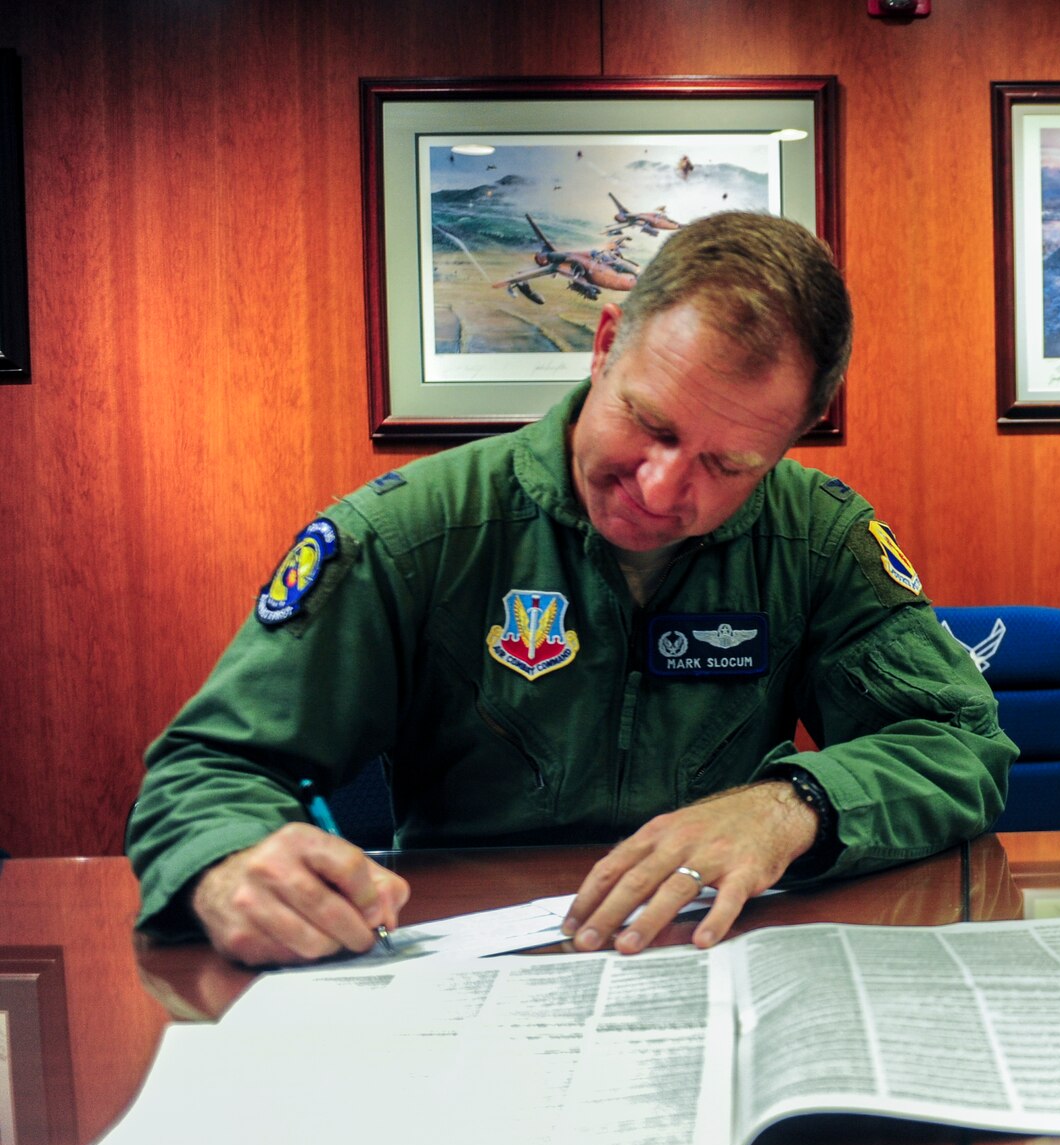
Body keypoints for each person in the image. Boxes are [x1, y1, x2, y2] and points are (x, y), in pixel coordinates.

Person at [129, 212, 1015, 966]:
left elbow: (961, 744)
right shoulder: (414, 533)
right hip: (465, 967)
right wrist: (229, 861)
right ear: (603, 345)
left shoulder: (817, 536)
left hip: (715, 954)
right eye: (650, 421)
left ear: (789, 442)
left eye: (727, 462)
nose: (664, 489)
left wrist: (793, 806)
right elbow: (208, 767)